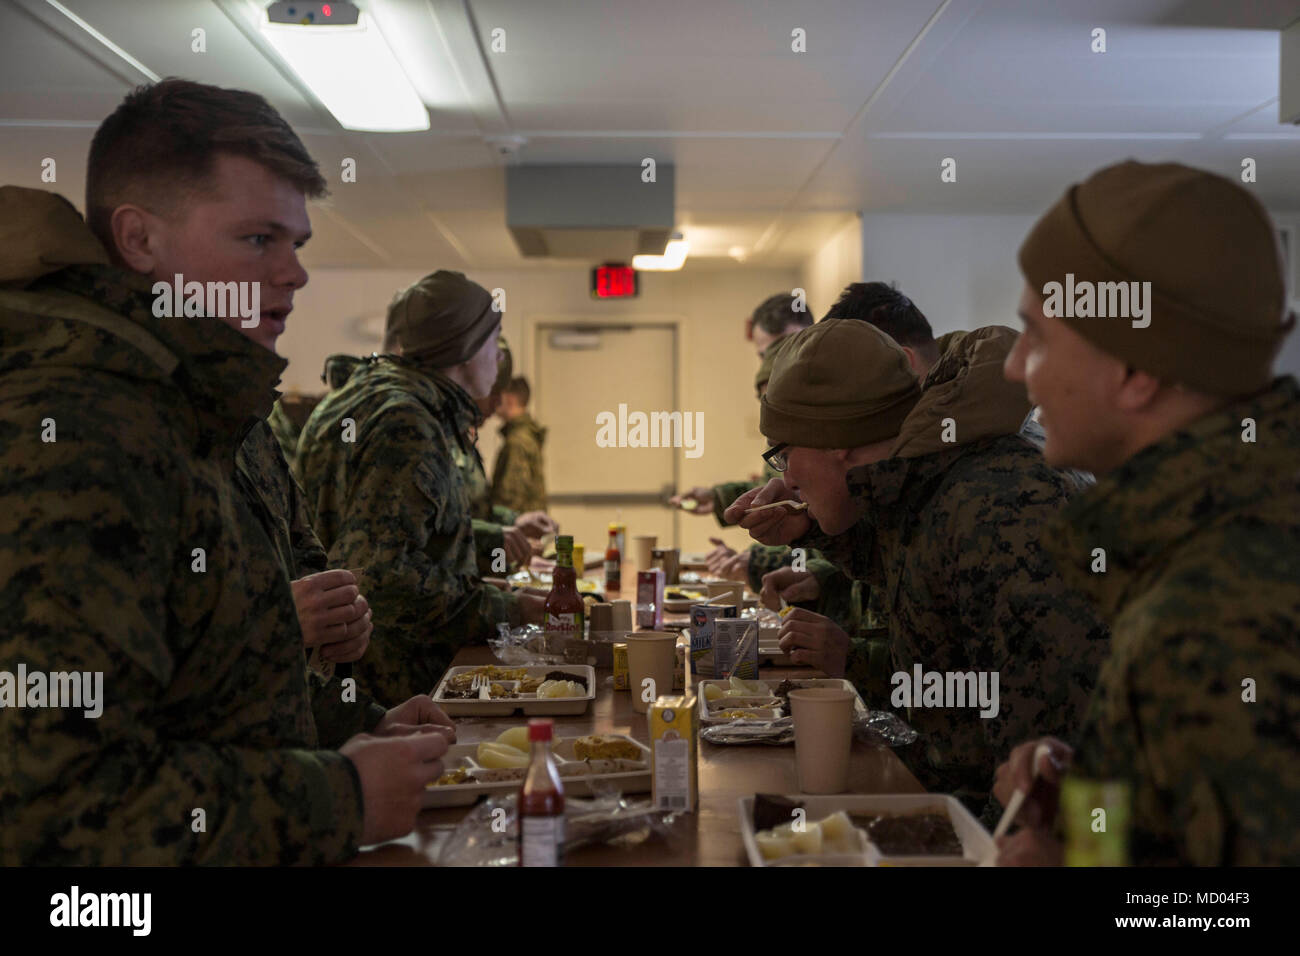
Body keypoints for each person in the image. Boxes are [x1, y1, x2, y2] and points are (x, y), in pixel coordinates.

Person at [0, 79, 451, 864]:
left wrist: (360, 723)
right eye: (257, 241)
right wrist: (339, 799)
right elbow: (54, 807)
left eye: (297, 244)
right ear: (138, 240)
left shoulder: (218, 410)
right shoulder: (71, 430)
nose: (294, 274)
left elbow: (216, 676)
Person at [991, 160, 1300, 866]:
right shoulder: (1207, 537)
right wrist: (1090, 808)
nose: (1014, 367)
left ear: (1136, 372)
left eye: (1035, 335)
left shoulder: (1215, 615)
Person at [725, 319, 1108, 822]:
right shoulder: (929, 471)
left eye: (784, 454)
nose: (787, 478)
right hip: (954, 799)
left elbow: (1060, 753)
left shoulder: (999, 505)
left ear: (836, 442)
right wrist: (807, 529)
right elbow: (921, 575)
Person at [297, 270, 547, 705]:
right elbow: (384, 579)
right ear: (466, 350)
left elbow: (404, 530)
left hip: (343, 682)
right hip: (390, 686)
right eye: (494, 340)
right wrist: (507, 609)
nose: (498, 358)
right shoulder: (407, 420)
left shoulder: (362, 397)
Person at [491, 375, 549, 514]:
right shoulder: (527, 434)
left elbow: (510, 498)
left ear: (510, 399)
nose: (495, 401)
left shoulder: (517, 440)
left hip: (520, 530)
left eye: (500, 396)